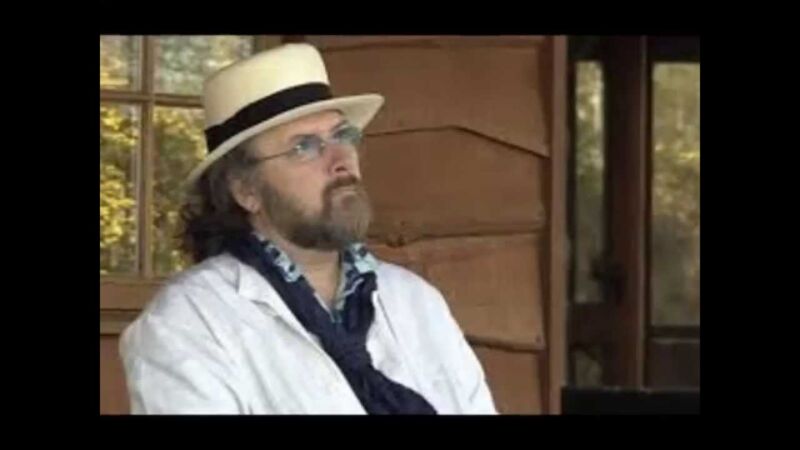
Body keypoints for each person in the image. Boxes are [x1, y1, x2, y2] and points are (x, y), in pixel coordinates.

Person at [119, 43, 497, 414]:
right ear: (246, 190)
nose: (341, 160)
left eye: (343, 136)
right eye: (304, 147)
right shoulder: (188, 322)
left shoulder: (415, 301)